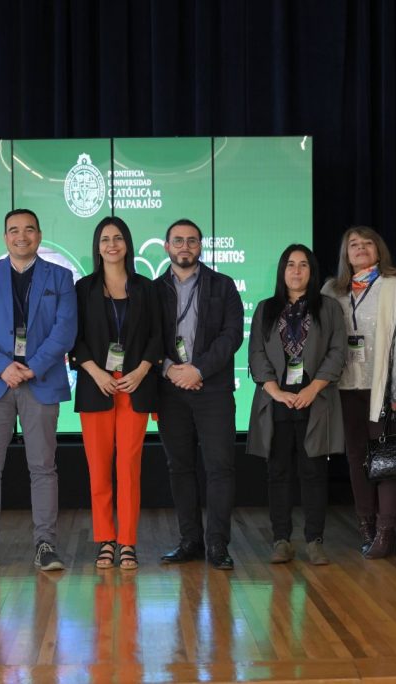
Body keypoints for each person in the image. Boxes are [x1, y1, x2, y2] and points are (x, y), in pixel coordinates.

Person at [0, 208, 77, 573]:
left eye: (28, 230)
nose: (21, 236)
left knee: (43, 467)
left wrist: (33, 366)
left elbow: (65, 330)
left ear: (39, 236)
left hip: (40, 380)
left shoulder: (60, 276)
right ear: (5, 237)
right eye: (14, 230)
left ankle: (45, 545)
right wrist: (3, 366)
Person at [246, 244, 346, 565]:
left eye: (303, 265)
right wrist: (275, 391)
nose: (297, 270)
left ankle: (315, 540)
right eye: (290, 264)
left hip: (314, 399)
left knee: (313, 471)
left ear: (311, 271)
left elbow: (337, 351)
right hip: (277, 401)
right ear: (282, 270)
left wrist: (314, 388)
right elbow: (256, 353)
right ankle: (281, 540)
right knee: (278, 472)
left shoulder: (328, 308)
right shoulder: (265, 308)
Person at [71, 216, 162, 570]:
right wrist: (95, 372)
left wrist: (141, 370)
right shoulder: (83, 288)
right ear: (97, 246)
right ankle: (105, 539)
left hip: (134, 387)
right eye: (105, 239)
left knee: (128, 467)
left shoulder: (146, 288)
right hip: (97, 387)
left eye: (118, 238)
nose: (112, 244)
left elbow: (157, 336)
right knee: (98, 469)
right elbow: (74, 338)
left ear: (127, 244)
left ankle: (127, 541)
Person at [156, 219, 244, 570]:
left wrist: (198, 370)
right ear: (167, 246)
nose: (185, 246)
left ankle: (217, 545)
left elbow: (232, 335)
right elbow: (145, 337)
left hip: (213, 389)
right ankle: (190, 541)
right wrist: (170, 369)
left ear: (200, 246)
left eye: (191, 240)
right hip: (170, 390)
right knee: (179, 467)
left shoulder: (223, 285)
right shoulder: (153, 289)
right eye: (178, 240)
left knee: (220, 467)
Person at [322, 226, 396, 559]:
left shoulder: (395, 287)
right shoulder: (331, 291)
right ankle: (367, 527)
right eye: (353, 244)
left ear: (379, 250)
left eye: (367, 243)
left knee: (388, 458)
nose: (360, 248)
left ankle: (387, 531)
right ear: (345, 255)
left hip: (384, 388)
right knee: (356, 457)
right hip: (344, 387)